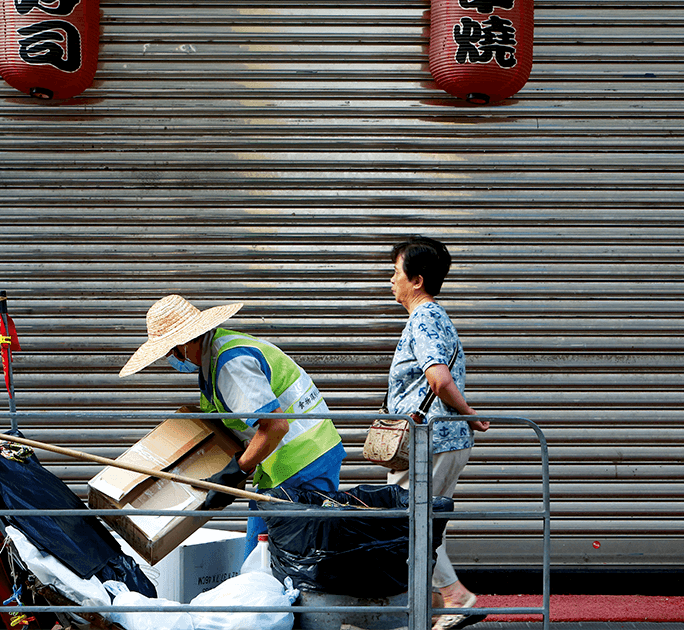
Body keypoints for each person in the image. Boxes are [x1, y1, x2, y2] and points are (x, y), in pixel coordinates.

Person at [119, 294, 346, 561]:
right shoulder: (215, 359)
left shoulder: (229, 363)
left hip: (301, 464)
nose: (171, 360)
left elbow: (275, 427)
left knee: (271, 565)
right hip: (295, 462)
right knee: (267, 563)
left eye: (170, 353)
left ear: (184, 343)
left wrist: (235, 471)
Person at [386, 236, 490, 630]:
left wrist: (468, 414)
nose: (390, 281)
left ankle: (453, 596)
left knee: (408, 521)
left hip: (431, 440)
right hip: (436, 440)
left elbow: (437, 377)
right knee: (424, 523)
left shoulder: (425, 317)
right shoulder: (430, 317)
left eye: (396, 273)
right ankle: (430, 609)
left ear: (416, 280)